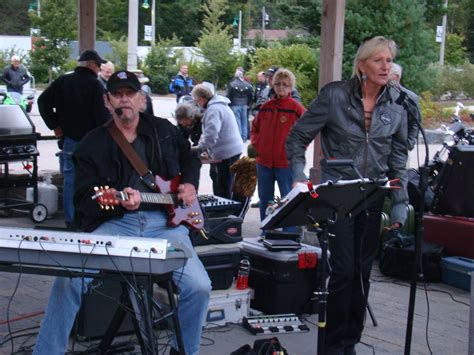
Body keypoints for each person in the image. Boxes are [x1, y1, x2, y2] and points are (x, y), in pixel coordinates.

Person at [33, 71, 211, 355]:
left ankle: (183, 351)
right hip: (116, 224)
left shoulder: (164, 130)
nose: (124, 99)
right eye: (118, 94)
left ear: (142, 100)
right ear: (107, 101)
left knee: (200, 287)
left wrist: (189, 183)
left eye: (131, 94)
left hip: (166, 225)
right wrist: (116, 201)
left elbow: (190, 157)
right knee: (68, 281)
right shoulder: (92, 143)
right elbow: (82, 200)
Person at [286, 36, 409, 354]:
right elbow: (298, 136)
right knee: (342, 271)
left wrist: (400, 204)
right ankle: (331, 345)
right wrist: (300, 178)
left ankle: (350, 341)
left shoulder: (398, 106)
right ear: (362, 65)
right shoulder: (335, 96)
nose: (386, 66)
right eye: (378, 60)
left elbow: (398, 161)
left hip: (372, 197)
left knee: (361, 274)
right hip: (338, 197)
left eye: (389, 60)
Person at [38, 49, 110, 228]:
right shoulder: (96, 85)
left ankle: (71, 221)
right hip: (93, 141)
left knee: (70, 179)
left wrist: (55, 126)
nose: (100, 69)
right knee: (95, 180)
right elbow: (102, 117)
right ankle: (90, 218)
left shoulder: (63, 81)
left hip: (69, 139)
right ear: (92, 65)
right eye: (98, 65)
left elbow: (42, 102)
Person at [251, 68, 305, 223]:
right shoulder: (266, 107)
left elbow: (307, 133)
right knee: (266, 199)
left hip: (285, 164)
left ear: (290, 87)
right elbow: (254, 128)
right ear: (273, 86)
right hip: (264, 163)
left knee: (287, 199)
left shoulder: (297, 109)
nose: (281, 87)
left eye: (285, 85)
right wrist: (257, 145)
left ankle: (289, 234)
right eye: (278, 84)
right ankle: (266, 230)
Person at [191, 83, 244, 199]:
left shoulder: (213, 109)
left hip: (226, 153)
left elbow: (211, 135)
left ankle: (224, 212)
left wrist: (198, 148)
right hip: (230, 150)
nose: (196, 103)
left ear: (201, 99)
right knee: (221, 180)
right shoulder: (219, 105)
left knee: (223, 185)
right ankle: (226, 208)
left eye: (196, 100)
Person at [389, 62, 420, 151]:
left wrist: (409, 143)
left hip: (401, 148)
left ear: (396, 77)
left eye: (388, 74)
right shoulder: (381, 96)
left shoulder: (409, 97)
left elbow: (415, 123)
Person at [226, 67, 254, 141]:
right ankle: (244, 137)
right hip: (244, 105)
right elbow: (251, 96)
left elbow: (229, 95)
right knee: (244, 121)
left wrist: (229, 105)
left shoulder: (232, 84)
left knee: (237, 121)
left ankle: (239, 136)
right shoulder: (248, 85)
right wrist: (249, 104)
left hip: (235, 104)